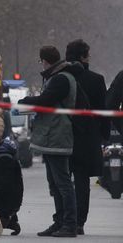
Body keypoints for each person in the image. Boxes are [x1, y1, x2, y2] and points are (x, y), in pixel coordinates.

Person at [18, 46, 79, 237]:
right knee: (55, 182)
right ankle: (59, 222)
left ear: (45, 60)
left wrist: (25, 101)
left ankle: (69, 224)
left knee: (62, 182)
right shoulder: (59, 76)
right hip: (53, 135)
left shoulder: (60, 79)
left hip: (57, 135)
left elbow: (46, 100)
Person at [65, 39, 110, 235]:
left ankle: (64, 218)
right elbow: (104, 111)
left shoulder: (61, 78)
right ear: (83, 57)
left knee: (61, 179)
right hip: (88, 137)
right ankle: (79, 221)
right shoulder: (96, 80)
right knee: (82, 181)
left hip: (64, 134)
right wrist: (104, 136)